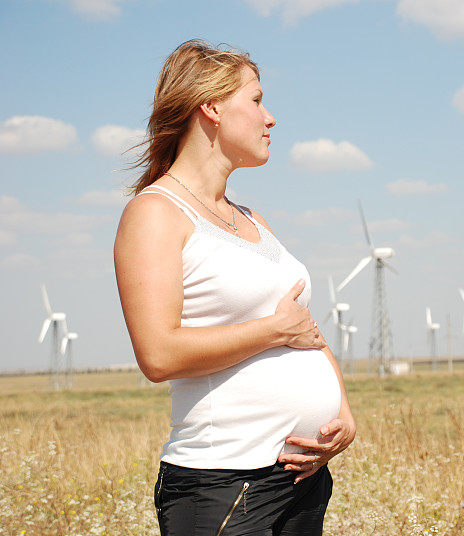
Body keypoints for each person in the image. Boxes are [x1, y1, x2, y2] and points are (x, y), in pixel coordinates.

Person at [113, 39, 356, 535]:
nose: (272, 119)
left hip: (301, 477)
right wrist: (272, 330)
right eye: (258, 99)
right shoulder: (155, 213)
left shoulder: (254, 219)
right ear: (212, 106)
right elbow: (158, 355)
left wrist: (343, 413)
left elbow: (303, 327)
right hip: (223, 480)